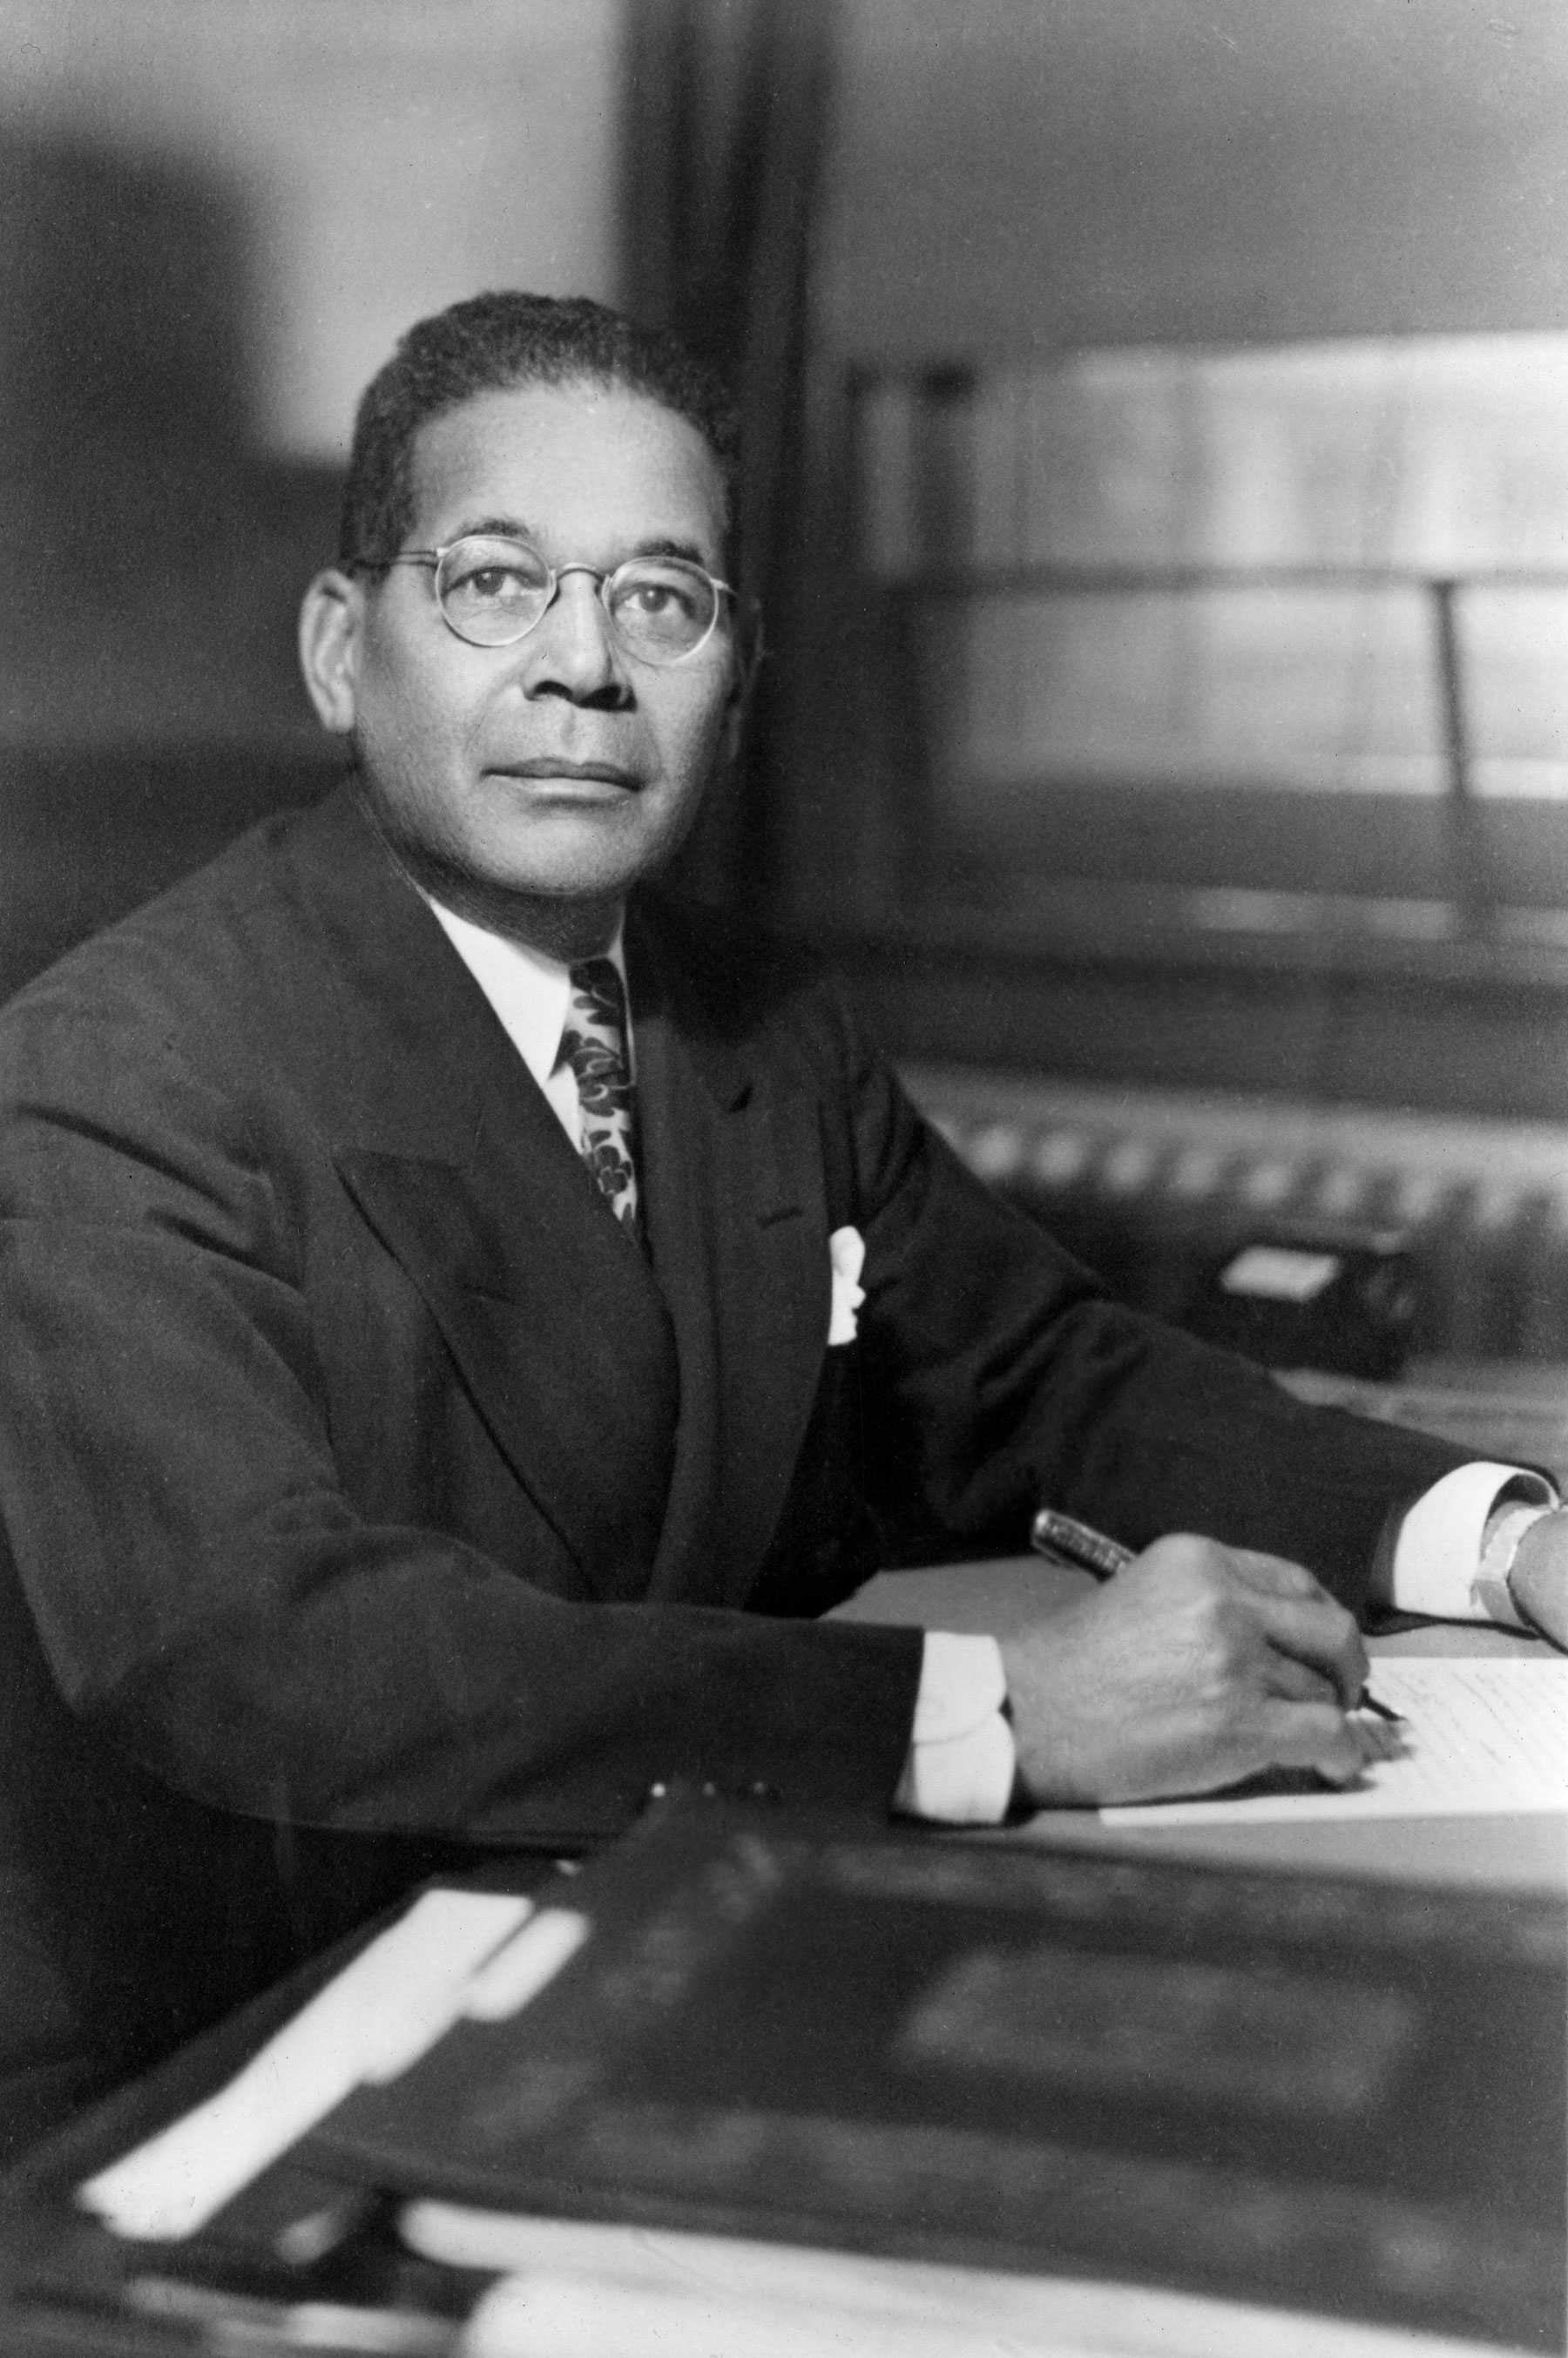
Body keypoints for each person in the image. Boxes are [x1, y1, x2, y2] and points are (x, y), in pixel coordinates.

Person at [0, 291, 1560, 2136]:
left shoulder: (759, 1027)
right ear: (345, 648)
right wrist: (978, 1713)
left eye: (662, 600)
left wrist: (1492, 1534)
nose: (586, 665)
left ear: (733, 681)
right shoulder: (118, 1067)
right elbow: (267, 1649)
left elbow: (1042, 1376)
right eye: (497, 581)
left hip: (661, 1933)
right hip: (223, 2055)